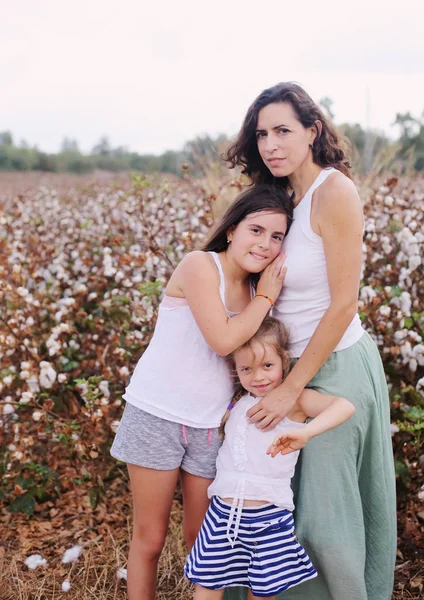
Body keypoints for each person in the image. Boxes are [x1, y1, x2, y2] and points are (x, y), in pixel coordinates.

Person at [221, 82, 396, 600]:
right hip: (276, 366)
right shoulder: (276, 198)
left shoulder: (333, 192)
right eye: (261, 134)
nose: (271, 144)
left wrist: (289, 390)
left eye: (283, 131)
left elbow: (344, 304)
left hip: (334, 366)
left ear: (312, 130)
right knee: (274, 510)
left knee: (324, 519)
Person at [110, 184, 293, 600]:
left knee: (202, 540)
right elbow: (223, 340)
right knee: (151, 538)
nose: (265, 244)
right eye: (257, 230)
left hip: (211, 426)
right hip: (157, 414)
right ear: (232, 229)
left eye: (277, 236)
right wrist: (267, 295)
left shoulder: (253, 292)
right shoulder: (199, 266)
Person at [185, 317, 355, 599]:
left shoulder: (294, 402)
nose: (258, 376)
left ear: (284, 361)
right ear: (236, 370)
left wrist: (308, 432)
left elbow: (344, 406)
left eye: (267, 365)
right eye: (246, 369)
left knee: (263, 590)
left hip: (269, 518)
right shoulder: (237, 400)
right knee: (207, 583)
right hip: (222, 514)